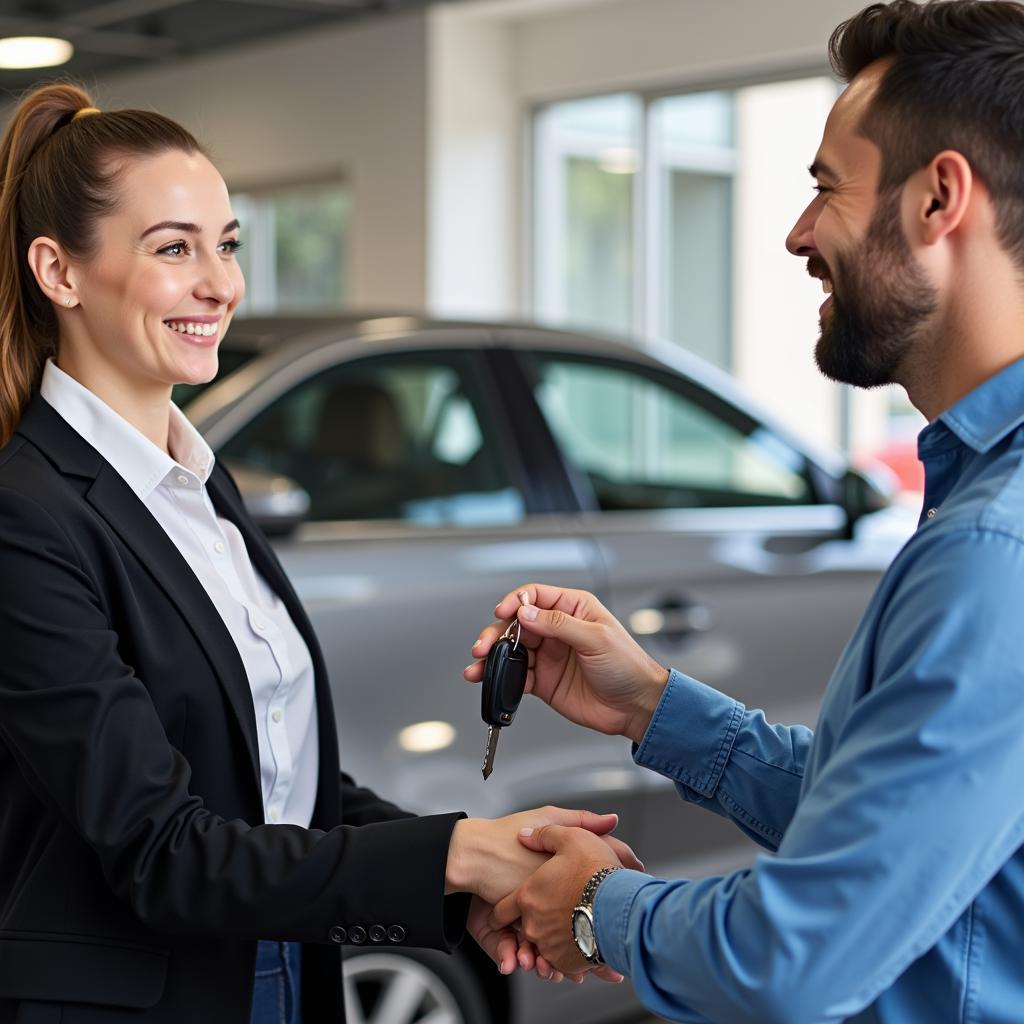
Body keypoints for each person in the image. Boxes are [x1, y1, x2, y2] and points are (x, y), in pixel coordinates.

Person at [0, 84, 638, 1024]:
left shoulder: (201, 489)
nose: (220, 282)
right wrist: (457, 854)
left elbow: (283, 780)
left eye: (227, 245)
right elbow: (161, 849)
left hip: (288, 968)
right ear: (59, 271)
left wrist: (471, 874)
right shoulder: (28, 514)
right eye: (174, 247)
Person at [468, 1, 1024, 1020]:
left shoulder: (997, 549)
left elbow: (797, 956)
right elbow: (892, 822)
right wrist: (650, 705)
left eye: (826, 190)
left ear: (939, 196)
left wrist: (595, 906)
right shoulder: (984, 505)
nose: (797, 234)